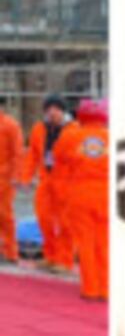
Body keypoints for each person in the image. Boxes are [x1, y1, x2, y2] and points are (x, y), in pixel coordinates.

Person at [53, 98, 108, 301]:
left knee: (85, 242)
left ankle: (90, 288)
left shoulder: (70, 136)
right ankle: (106, 288)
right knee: (104, 242)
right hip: (106, 194)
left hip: (80, 193)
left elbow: (58, 157)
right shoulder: (112, 137)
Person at [19, 95, 75, 272]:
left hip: (66, 182)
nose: (52, 112)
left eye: (56, 108)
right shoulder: (39, 129)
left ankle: (64, 260)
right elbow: (33, 156)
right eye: (49, 109)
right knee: (44, 220)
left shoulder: (74, 130)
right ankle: (50, 256)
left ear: (62, 110)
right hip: (46, 180)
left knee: (65, 223)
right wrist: (26, 177)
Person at [0, 101, 23, 265]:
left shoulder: (10, 125)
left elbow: (17, 153)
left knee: (5, 215)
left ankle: (10, 252)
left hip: (5, 178)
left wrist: (15, 176)